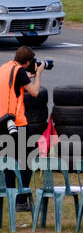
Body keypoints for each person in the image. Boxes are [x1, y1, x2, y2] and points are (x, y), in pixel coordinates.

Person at [1, 46, 44, 210]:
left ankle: (13, 199)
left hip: (3, 122)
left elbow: (13, 84)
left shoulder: (6, 68)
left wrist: (27, 76)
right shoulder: (19, 71)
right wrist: (38, 75)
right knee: (30, 158)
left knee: (9, 163)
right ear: (27, 62)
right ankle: (20, 200)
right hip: (17, 123)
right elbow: (34, 92)